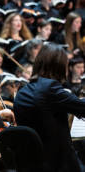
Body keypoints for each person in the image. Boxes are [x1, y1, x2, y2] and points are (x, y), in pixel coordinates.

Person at [14, 43, 85, 172]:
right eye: (66, 64)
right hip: (57, 163)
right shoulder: (49, 87)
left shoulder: (23, 89)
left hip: (31, 163)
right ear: (59, 66)